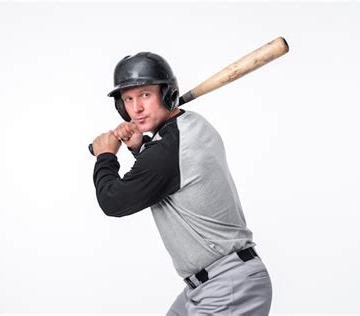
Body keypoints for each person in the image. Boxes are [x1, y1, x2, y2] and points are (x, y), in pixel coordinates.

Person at [91, 52, 272, 315]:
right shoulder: (192, 125)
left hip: (227, 288)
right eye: (128, 99)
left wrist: (105, 156)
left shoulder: (168, 149)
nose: (136, 108)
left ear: (167, 94)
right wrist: (140, 147)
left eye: (145, 95)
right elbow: (169, 178)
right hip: (206, 286)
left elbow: (113, 201)